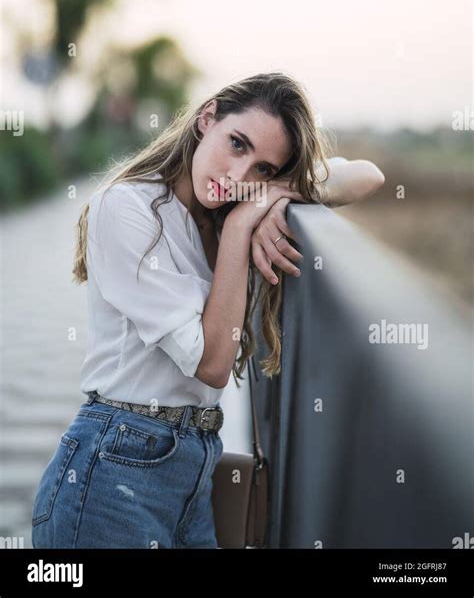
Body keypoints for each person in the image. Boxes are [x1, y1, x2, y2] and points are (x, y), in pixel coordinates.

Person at [30, 71, 384, 548]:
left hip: (195, 473)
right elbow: (213, 364)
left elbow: (368, 175)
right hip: (110, 475)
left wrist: (278, 196)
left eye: (263, 169)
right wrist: (241, 226)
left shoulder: (224, 211)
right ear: (207, 118)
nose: (238, 177)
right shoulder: (127, 209)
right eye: (237, 144)